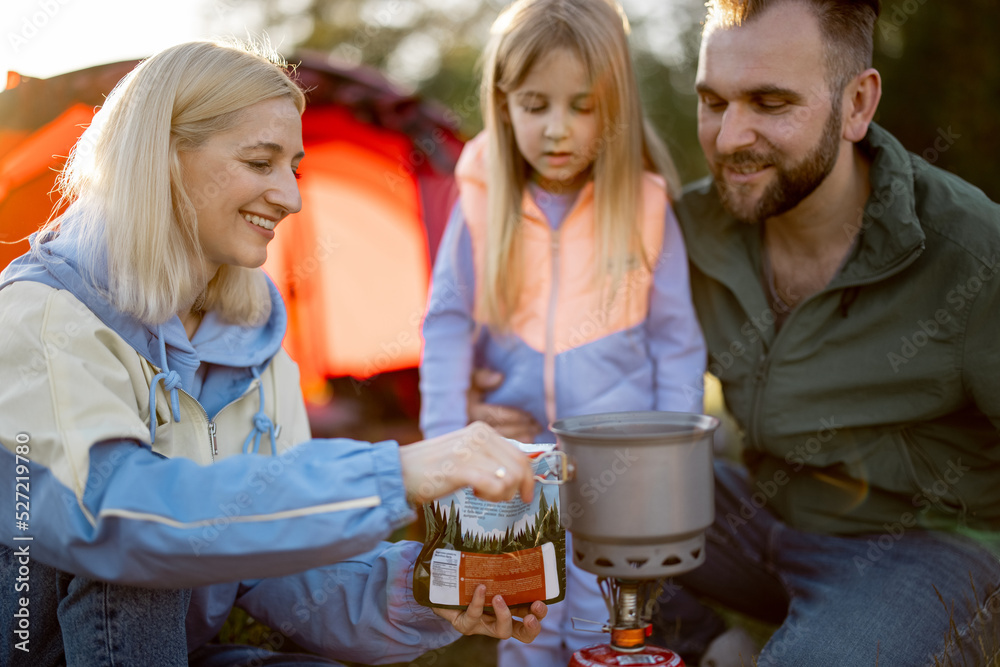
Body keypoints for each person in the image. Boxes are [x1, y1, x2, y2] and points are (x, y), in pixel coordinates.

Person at [470, 0, 1000, 665]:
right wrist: (500, 402)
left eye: (771, 103)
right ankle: (711, 643)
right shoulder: (683, 229)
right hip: (756, 511)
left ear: (858, 105)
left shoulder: (973, 255)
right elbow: (567, 338)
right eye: (713, 102)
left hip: (926, 546)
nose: (728, 137)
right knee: (562, 492)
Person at [0, 39, 548, 667]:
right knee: (146, 543)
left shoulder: (252, 338)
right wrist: (393, 474)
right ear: (162, 159)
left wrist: (435, 590)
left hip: (178, 653)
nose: (289, 198)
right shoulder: (41, 316)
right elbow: (113, 521)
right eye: (261, 163)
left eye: (294, 168)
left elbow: (287, 571)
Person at [418, 0, 707, 664]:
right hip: (516, 468)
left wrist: (669, 459)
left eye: (583, 105)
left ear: (616, 106)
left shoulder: (644, 205)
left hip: (620, 472)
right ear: (503, 100)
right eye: (535, 104)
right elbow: (447, 324)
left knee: (606, 621)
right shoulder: (479, 201)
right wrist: (446, 445)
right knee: (522, 616)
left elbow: (676, 341)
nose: (557, 129)